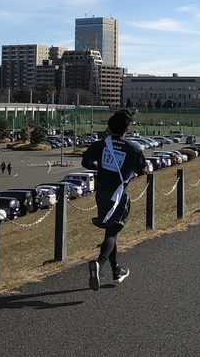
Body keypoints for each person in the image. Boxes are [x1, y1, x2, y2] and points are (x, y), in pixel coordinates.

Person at [81, 110, 147, 291]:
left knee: (111, 231)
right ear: (127, 129)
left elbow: (86, 162)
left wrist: (101, 168)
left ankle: (116, 270)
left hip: (101, 193)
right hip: (119, 194)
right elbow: (143, 170)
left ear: (109, 128)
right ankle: (99, 264)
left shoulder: (100, 145)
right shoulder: (132, 148)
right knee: (112, 231)